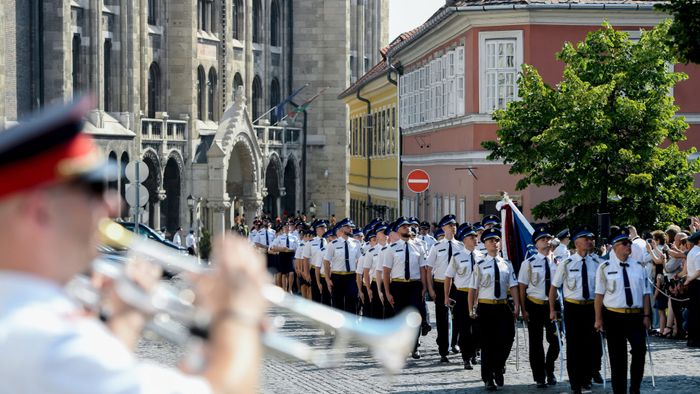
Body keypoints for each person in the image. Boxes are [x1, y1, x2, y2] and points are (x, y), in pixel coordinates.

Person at [0, 99, 268, 393]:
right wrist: (239, 316)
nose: (113, 204)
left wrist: (125, 322)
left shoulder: (29, 321)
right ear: (40, 211)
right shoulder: (49, 342)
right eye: (93, 191)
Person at [594, 227, 652, 394]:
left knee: (640, 351)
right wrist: (598, 319)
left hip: (636, 316)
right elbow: (599, 295)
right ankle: (619, 390)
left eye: (629, 243)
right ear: (614, 246)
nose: (629, 246)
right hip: (613, 316)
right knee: (617, 357)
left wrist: (647, 315)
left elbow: (646, 293)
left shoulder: (639, 267)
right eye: (624, 243)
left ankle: (635, 388)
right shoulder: (604, 267)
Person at [549, 226, 602, 393]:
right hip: (573, 308)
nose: (590, 242)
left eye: (591, 239)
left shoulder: (598, 263)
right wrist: (552, 309)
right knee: (574, 346)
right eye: (586, 239)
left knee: (591, 345)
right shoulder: (566, 263)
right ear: (577, 243)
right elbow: (554, 288)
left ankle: (587, 378)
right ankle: (575, 382)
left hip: (592, 307)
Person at [468, 228, 520, 391]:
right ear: (484, 244)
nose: (494, 243)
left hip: (502, 306)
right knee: (487, 343)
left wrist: (517, 304)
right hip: (485, 307)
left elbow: (513, 286)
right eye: (490, 241)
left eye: (497, 240)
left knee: (507, 338)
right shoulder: (480, 265)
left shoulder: (507, 264)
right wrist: (471, 309)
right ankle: (488, 378)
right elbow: (473, 288)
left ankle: (499, 366)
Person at [518, 226, 559, 388]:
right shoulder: (528, 263)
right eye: (542, 239)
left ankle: (549, 368)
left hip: (553, 306)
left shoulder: (558, 262)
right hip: (534, 304)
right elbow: (522, 287)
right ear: (536, 244)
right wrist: (523, 309)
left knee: (556, 341)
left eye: (548, 238)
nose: (546, 241)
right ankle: (540, 376)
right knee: (536, 343)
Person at [383, 217, 426, 359]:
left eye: (408, 226)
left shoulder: (418, 246)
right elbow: (386, 272)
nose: (408, 228)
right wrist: (387, 292)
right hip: (398, 285)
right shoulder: (391, 248)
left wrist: (424, 287)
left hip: (414, 284)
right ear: (398, 231)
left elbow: (422, 269)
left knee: (415, 316)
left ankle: (414, 347)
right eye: (404, 227)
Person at [445, 225, 482, 370]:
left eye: (476, 237)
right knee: (465, 328)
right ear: (464, 240)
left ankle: (475, 352)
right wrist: (447, 296)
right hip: (462, 294)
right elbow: (448, 277)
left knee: (478, 327)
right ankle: (466, 357)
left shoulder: (482, 256)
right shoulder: (457, 257)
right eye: (471, 237)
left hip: (479, 295)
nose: (475, 239)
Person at [426, 214, 462, 362]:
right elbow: (429, 269)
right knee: (442, 318)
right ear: (443, 228)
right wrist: (431, 289)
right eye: (450, 225)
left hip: (456, 285)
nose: (453, 228)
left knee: (458, 316)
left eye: (454, 225)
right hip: (440, 284)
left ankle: (454, 343)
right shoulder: (437, 246)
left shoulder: (460, 246)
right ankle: (443, 350)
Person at [323, 219, 361, 313]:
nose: (350, 229)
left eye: (351, 227)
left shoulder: (356, 243)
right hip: (337, 276)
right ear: (341, 228)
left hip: (351, 276)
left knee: (352, 302)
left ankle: (351, 326)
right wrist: (328, 279)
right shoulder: (333, 244)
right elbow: (326, 262)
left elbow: (360, 261)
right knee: (337, 303)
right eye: (347, 227)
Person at [684, 230, 700, 347]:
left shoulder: (691, 252)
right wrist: (689, 279)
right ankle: (695, 339)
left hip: (692, 284)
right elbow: (699, 272)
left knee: (693, 312)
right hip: (696, 283)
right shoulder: (698, 253)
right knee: (696, 313)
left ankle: (692, 339)